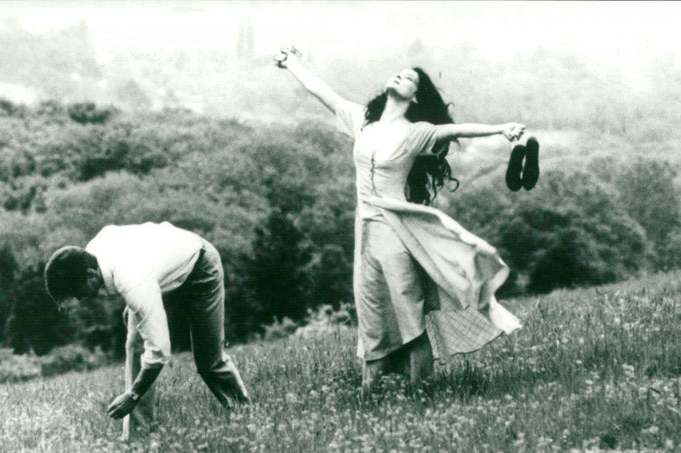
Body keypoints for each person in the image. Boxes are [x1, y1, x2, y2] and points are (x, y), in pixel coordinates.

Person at [275, 48, 524, 391]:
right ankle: (370, 388)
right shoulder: (362, 120)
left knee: (407, 308)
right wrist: (292, 64)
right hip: (364, 230)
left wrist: (502, 129)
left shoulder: (417, 132)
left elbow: (458, 130)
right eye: (400, 73)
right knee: (371, 308)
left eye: (410, 78)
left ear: (416, 95)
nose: (401, 76)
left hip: (395, 229)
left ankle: (422, 386)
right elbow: (322, 92)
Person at [44, 221, 250, 425]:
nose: (82, 299)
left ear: (90, 274)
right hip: (159, 274)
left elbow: (160, 351)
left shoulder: (133, 280)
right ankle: (140, 434)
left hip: (200, 265)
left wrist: (133, 395)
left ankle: (245, 414)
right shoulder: (89, 257)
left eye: (79, 293)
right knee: (134, 340)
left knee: (208, 362)